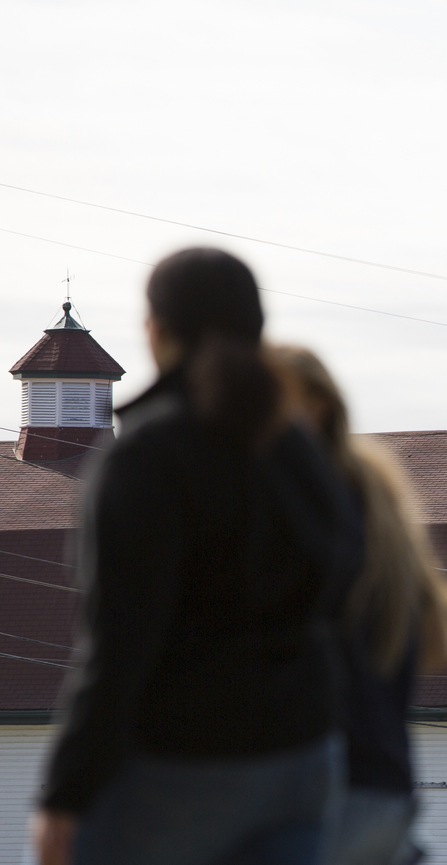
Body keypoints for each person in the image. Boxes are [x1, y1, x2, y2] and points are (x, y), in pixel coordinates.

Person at [32, 248, 362, 865]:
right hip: (303, 752)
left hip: (177, 759)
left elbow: (119, 645)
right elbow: (339, 589)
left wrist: (64, 796)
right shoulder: (298, 449)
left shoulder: (145, 457)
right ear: (259, 330)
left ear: (156, 331)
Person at [268, 345, 447, 865]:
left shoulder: (302, 506)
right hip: (382, 789)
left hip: (321, 793)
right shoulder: (373, 502)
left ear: (314, 407)